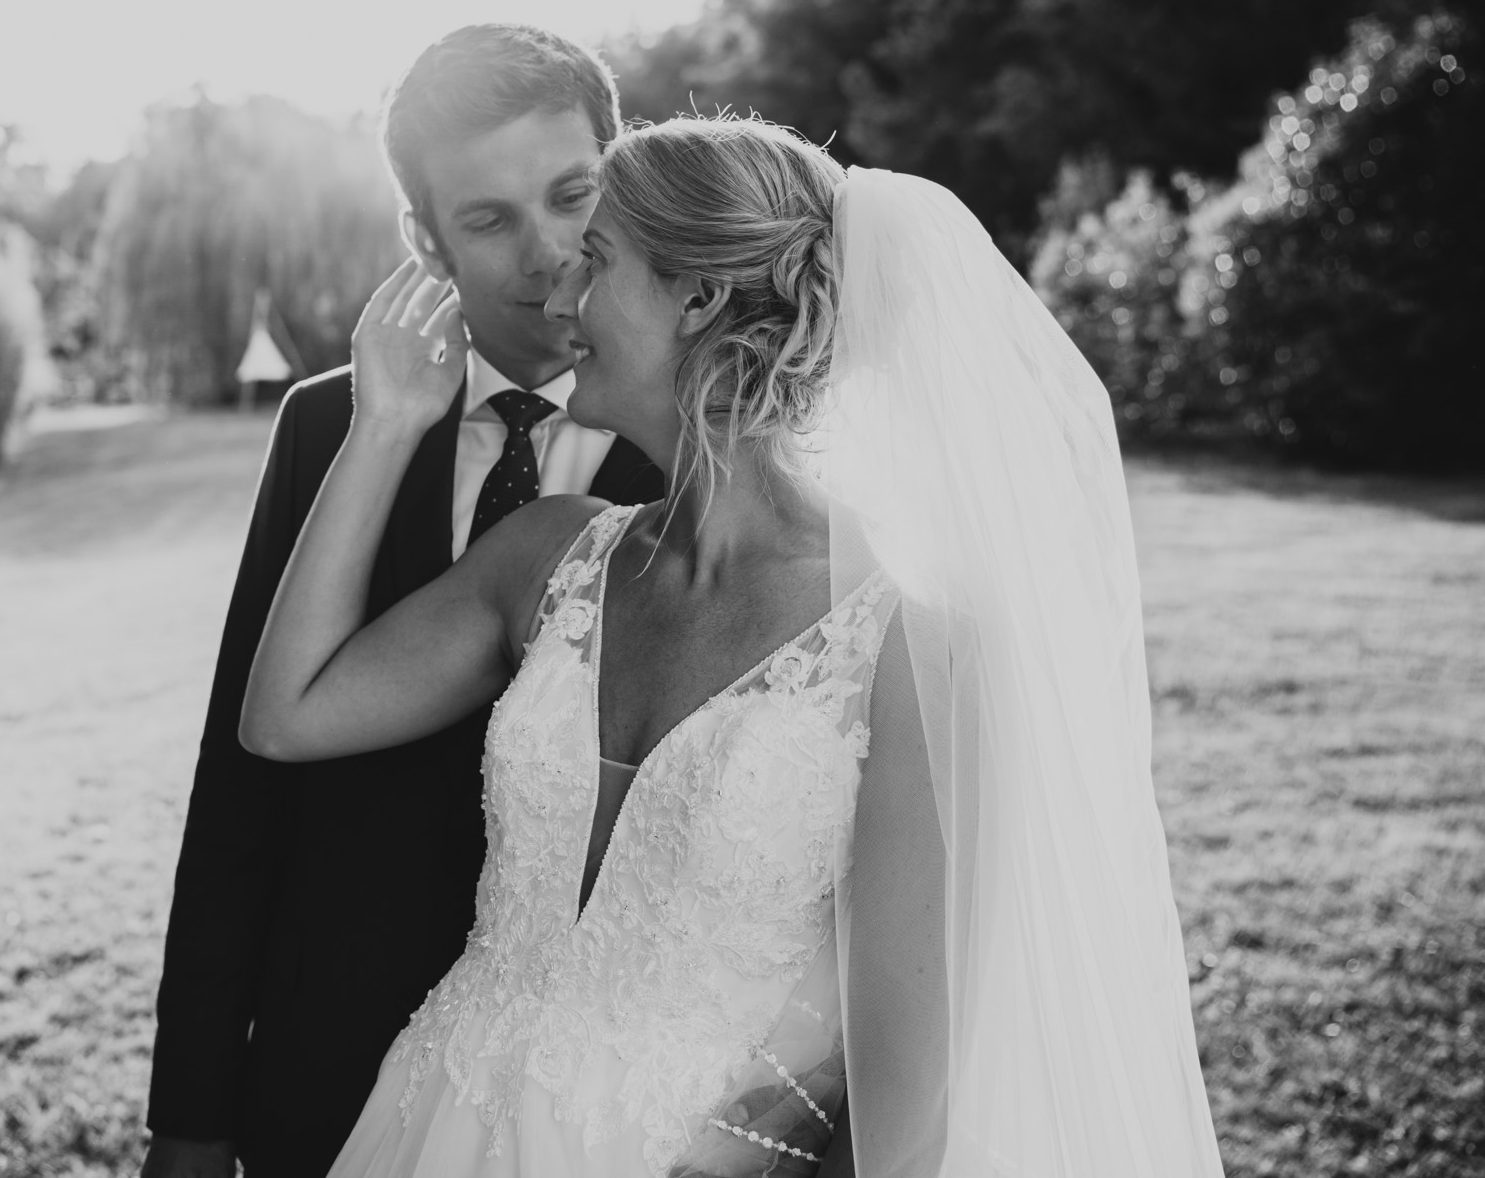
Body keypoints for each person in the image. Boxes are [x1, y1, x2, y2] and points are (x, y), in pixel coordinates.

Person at [241, 115, 1225, 1177]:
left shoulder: (902, 645)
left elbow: (906, 1111)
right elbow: (286, 715)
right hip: (433, 1127)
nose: (559, 295)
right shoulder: (546, 554)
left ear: (699, 298)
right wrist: (381, 425)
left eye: (597, 260)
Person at [143, 25, 666, 1178]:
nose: (547, 256)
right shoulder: (325, 426)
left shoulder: (701, 441)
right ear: (422, 239)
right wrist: (187, 1113)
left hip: (580, 1095)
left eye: (573, 195)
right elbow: (241, 785)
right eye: (487, 220)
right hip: (327, 1056)